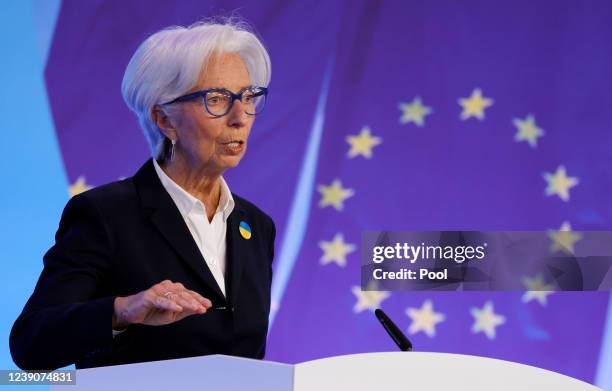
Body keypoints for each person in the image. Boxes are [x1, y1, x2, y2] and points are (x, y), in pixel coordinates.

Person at [9, 19, 275, 370]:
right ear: (164, 120)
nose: (241, 116)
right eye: (217, 99)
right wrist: (121, 310)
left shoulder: (256, 225)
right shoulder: (105, 215)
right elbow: (30, 343)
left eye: (248, 97)